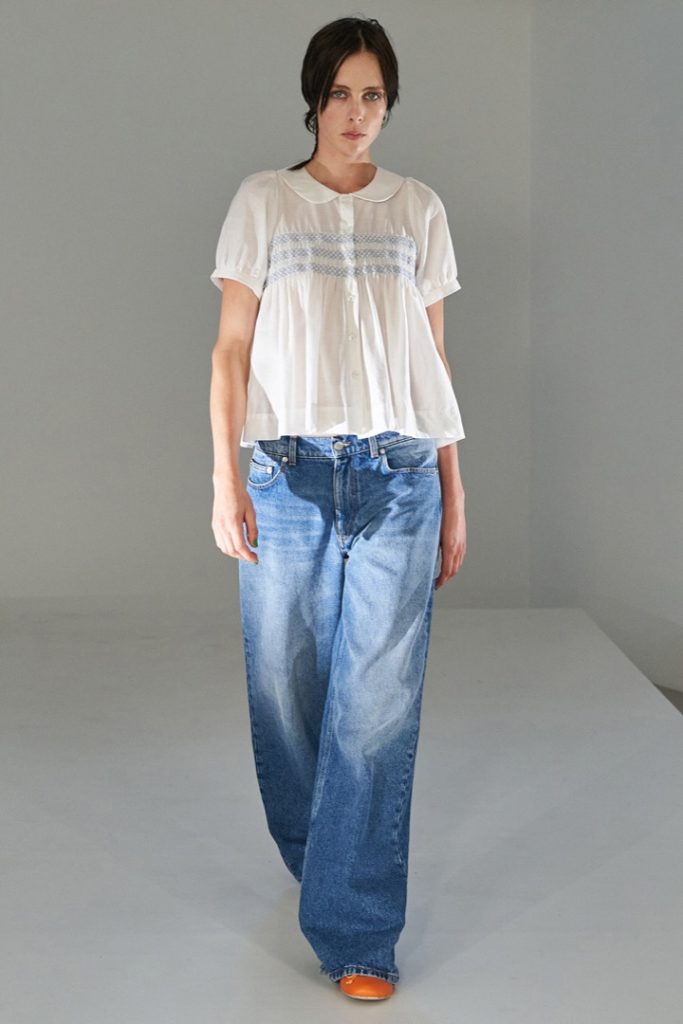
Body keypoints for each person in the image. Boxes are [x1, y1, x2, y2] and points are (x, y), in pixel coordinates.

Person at [208, 15, 467, 1002]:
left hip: (400, 472)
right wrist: (224, 480)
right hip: (287, 473)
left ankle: (357, 929)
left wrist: (453, 492)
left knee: (375, 709)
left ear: (388, 104)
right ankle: (319, 847)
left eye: (374, 96)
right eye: (341, 94)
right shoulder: (264, 202)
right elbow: (231, 350)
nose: (357, 113)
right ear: (313, 98)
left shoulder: (418, 209)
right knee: (285, 690)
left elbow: (432, 360)